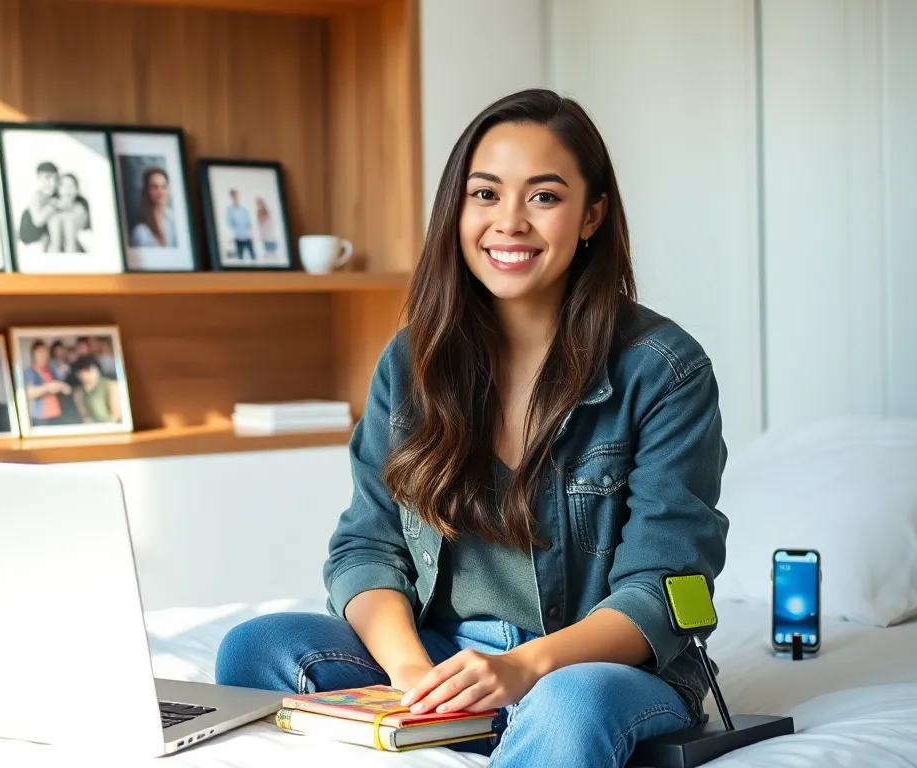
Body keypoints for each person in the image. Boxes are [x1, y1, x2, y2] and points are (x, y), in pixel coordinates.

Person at [213, 88, 730, 767]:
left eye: (543, 197)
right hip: (449, 661)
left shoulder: (663, 369)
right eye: (485, 194)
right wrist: (411, 676)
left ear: (591, 215)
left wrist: (522, 668)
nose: (509, 222)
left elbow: (662, 587)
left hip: (597, 673)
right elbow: (367, 547)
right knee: (257, 647)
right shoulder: (412, 362)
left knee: (568, 705)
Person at [22, 340, 72, 427]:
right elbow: (29, 393)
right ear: (33, 355)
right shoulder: (30, 372)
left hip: (57, 415)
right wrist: (48, 387)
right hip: (42, 419)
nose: (43, 356)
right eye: (40, 353)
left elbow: (60, 384)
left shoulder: (51, 370)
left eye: (45, 353)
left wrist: (63, 387)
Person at [129, 167, 177, 248]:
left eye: (164, 187)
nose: (160, 192)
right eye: (155, 187)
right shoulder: (140, 231)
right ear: (147, 191)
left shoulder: (174, 220)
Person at [18, 162, 60, 247]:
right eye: (48, 178)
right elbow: (38, 221)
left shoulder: (59, 193)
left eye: (55, 178)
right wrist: (53, 205)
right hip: (32, 236)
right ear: (39, 178)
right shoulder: (37, 196)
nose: (53, 182)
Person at [46, 174, 91, 253]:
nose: (68, 189)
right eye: (64, 185)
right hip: (54, 244)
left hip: (73, 244)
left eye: (72, 185)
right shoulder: (53, 204)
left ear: (77, 189)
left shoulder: (80, 206)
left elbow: (82, 225)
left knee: (69, 221)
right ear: (58, 189)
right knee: (55, 220)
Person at [72, 354, 121, 424]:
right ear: (78, 374)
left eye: (92, 370)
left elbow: (116, 415)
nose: (89, 374)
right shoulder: (78, 393)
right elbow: (85, 417)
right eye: (85, 371)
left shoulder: (110, 386)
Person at [224, 189, 254, 260]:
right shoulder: (229, 210)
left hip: (247, 236)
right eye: (234, 196)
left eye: (237, 196)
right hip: (238, 237)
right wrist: (236, 225)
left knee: (253, 256)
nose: (236, 198)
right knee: (240, 258)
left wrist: (251, 233)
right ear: (231, 197)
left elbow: (249, 223)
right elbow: (229, 223)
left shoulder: (244, 209)